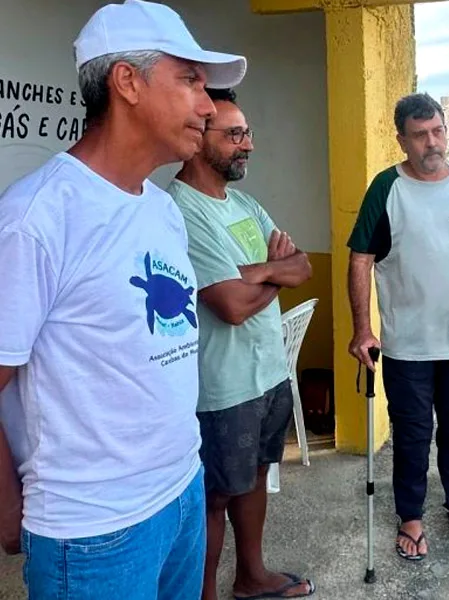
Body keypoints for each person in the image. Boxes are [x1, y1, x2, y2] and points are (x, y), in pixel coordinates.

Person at [0, 1, 246, 598]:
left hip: (183, 490)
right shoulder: (37, 218)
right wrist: (8, 504)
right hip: (92, 530)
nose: (208, 105)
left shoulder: (160, 207)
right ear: (127, 82)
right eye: (189, 79)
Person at [168, 87, 315, 599]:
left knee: (254, 478)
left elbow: (304, 266)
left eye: (247, 132)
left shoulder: (246, 203)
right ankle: (203, 592)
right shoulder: (181, 210)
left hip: (269, 374)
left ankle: (251, 577)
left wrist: (261, 272)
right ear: (198, 138)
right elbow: (228, 307)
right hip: (222, 385)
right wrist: (278, 275)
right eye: (234, 134)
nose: (247, 144)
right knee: (214, 496)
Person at [346, 92, 449, 561]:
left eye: (438, 131)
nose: (432, 143)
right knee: (412, 434)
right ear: (402, 140)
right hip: (409, 344)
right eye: (420, 135)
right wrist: (361, 329)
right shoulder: (387, 188)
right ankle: (410, 515)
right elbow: (361, 259)